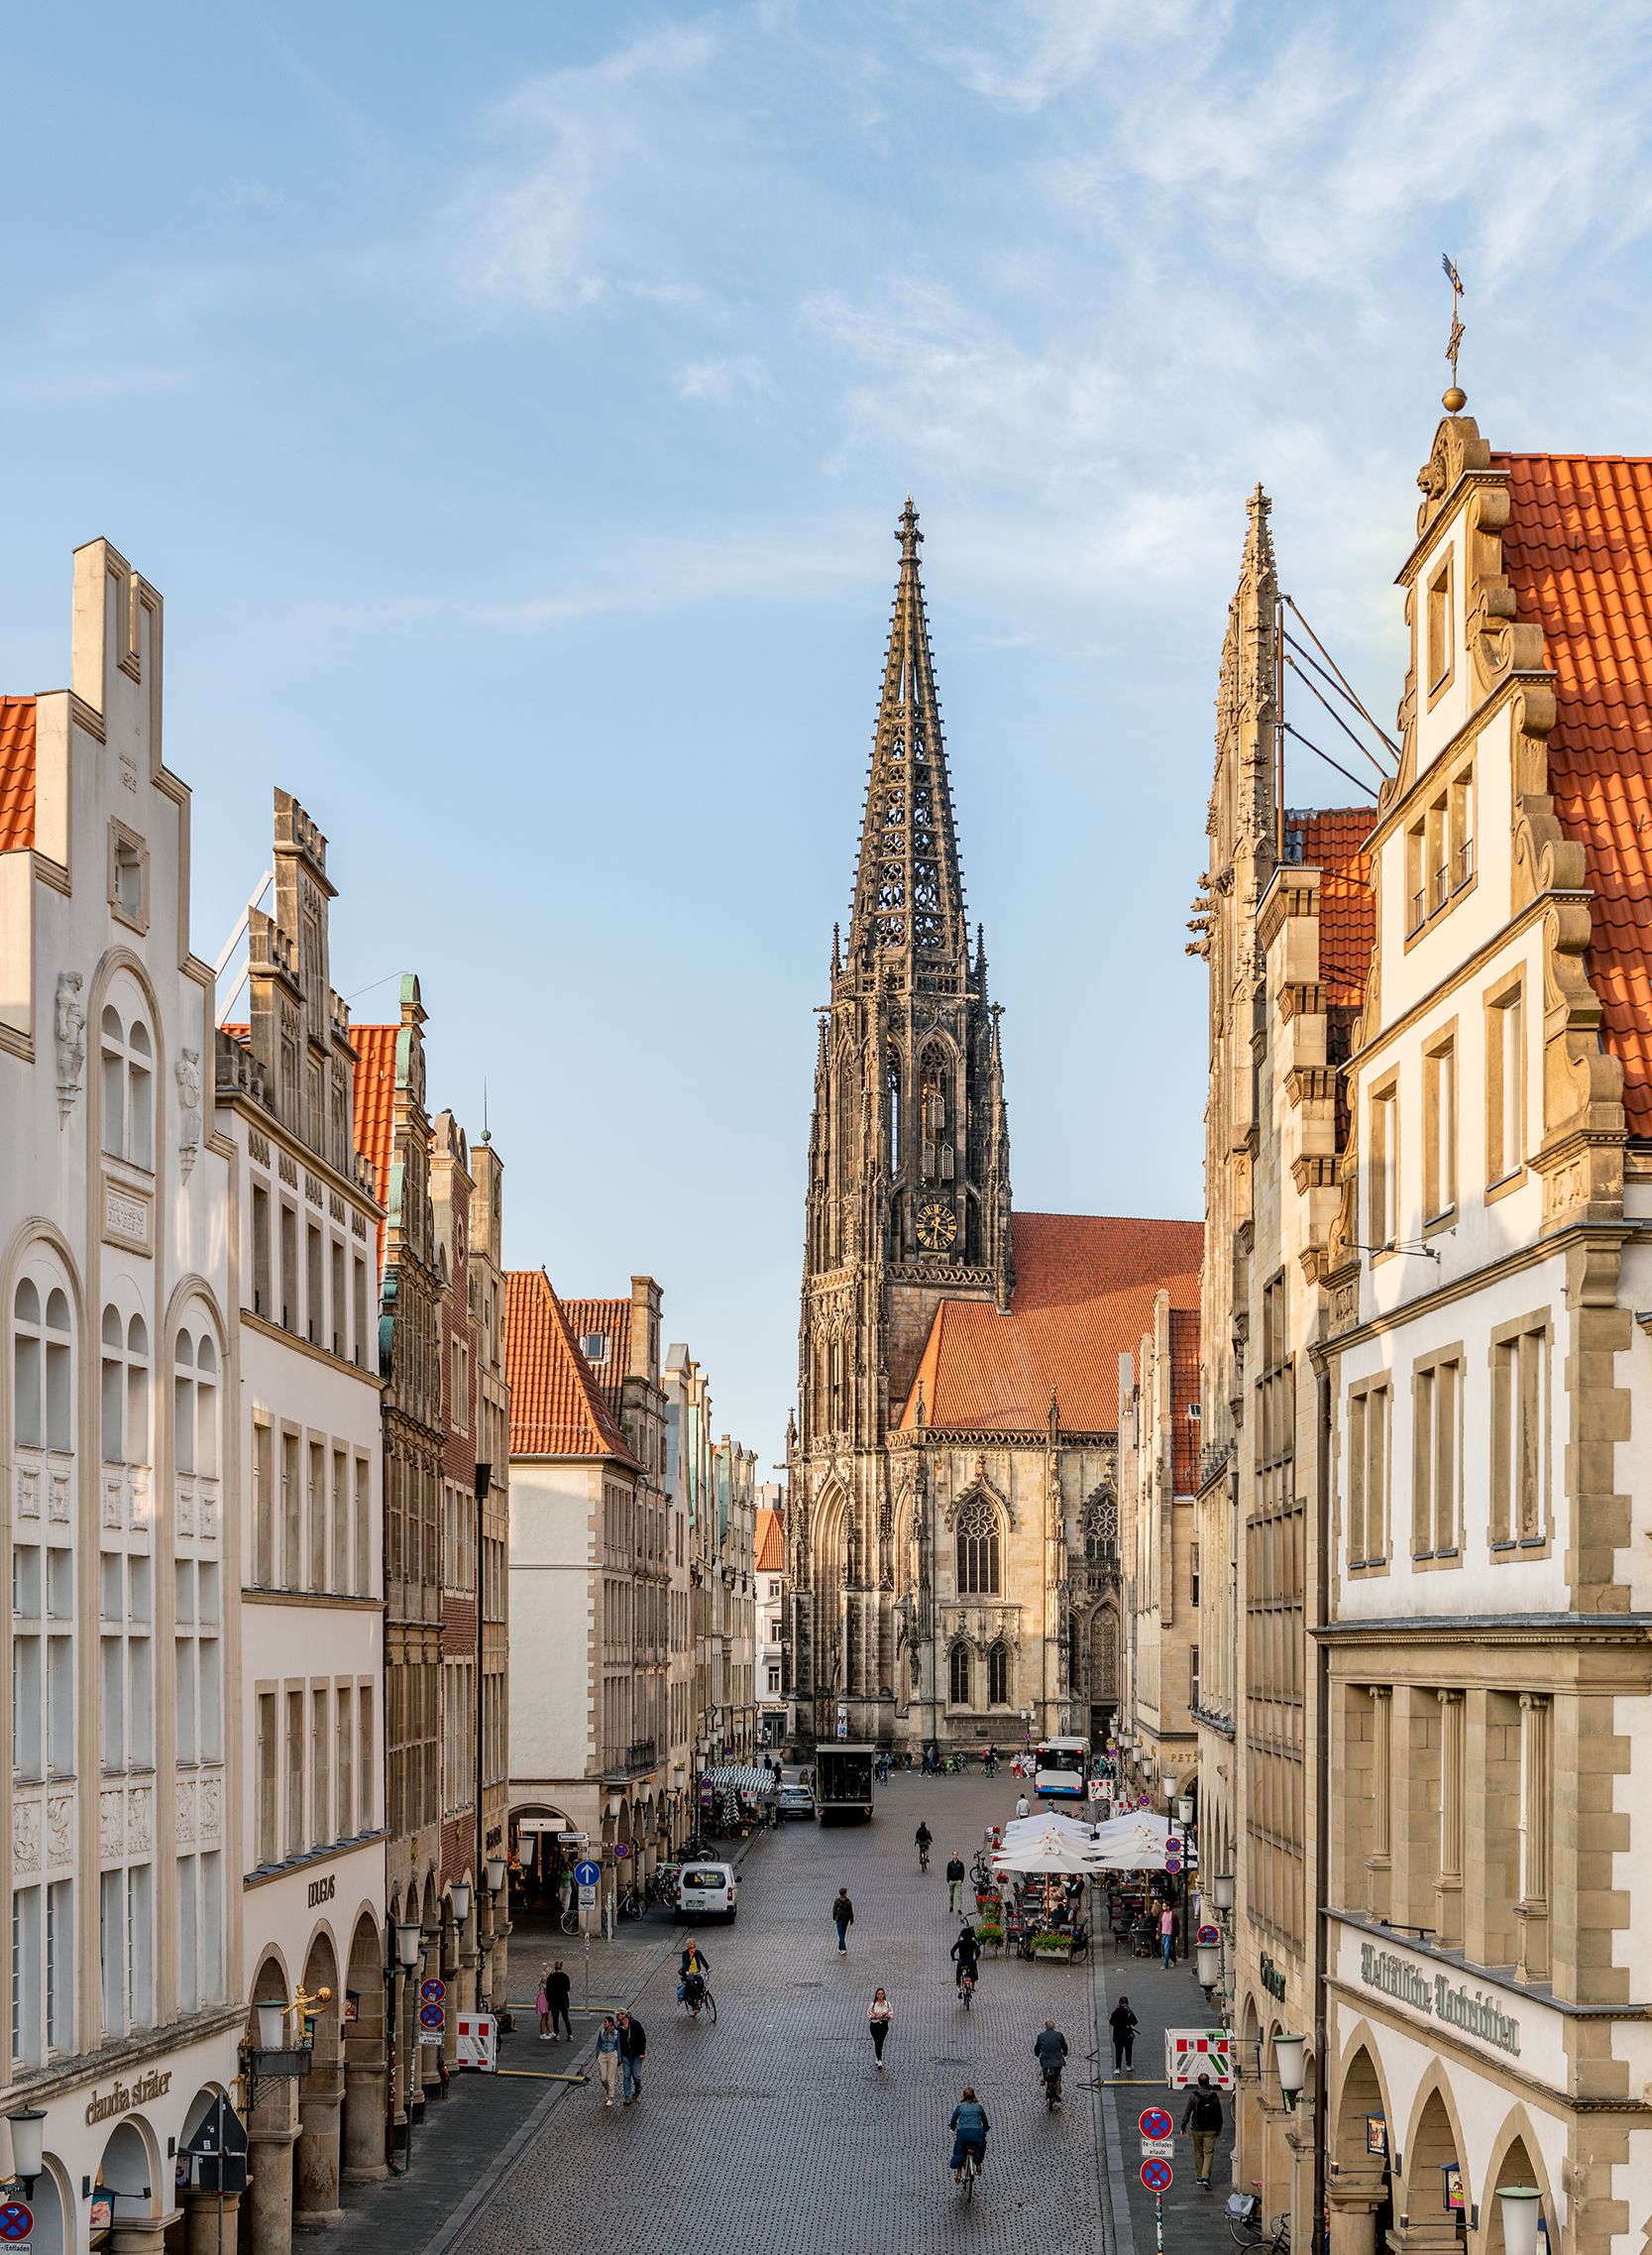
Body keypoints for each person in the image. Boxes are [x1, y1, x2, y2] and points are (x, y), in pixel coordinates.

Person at [1181, 2072, 1225, 2189]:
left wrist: (1183, 2127)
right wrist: (1219, 2128)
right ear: (1208, 2082)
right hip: (1211, 2129)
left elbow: (1187, 2112)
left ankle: (1200, 2177)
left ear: (1198, 2082)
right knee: (1208, 2153)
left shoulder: (1193, 2096)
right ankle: (1206, 2177)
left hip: (1197, 2129)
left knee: (1198, 2153)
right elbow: (1219, 2114)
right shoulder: (1214, 2096)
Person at [948, 2086, 990, 2182]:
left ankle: (959, 2174)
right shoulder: (979, 2107)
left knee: (959, 2151)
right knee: (980, 2146)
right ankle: (978, 2164)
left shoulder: (960, 2107)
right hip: (977, 2134)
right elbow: (985, 2121)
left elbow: (953, 2119)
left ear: (964, 2096)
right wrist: (986, 2128)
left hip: (963, 2134)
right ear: (973, 2095)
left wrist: (952, 2128)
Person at [1034, 2020, 1068, 2107]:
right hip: (1057, 2060)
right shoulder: (1059, 2035)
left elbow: (1037, 2048)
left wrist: (1037, 2054)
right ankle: (1057, 2091)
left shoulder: (1040, 2036)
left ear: (1046, 2027)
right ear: (1054, 2027)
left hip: (1046, 2060)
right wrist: (1065, 2053)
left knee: (1045, 2069)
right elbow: (1064, 2046)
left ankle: (1044, 2078)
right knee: (1057, 2075)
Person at [616, 2009, 646, 2103]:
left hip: (636, 2054)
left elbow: (642, 2038)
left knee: (636, 2075)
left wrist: (642, 2052)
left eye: (619, 2014)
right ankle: (627, 2096)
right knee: (626, 2076)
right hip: (626, 2055)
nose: (617, 2016)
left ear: (624, 2015)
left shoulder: (635, 2024)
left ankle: (638, 2089)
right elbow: (619, 2043)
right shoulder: (620, 2027)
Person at [594, 2014, 621, 2106]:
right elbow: (598, 2044)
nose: (604, 2023)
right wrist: (598, 2055)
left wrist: (619, 2058)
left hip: (612, 2054)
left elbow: (618, 2046)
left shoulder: (616, 2033)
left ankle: (610, 2096)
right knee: (603, 2078)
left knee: (610, 2077)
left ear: (610, 2023)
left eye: (605, 2022)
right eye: (603, 2021)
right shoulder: (601, 2032)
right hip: (603, 2054)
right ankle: (608, 2089)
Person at [1109, 1995, 1138, 2074]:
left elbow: (1111, 2021)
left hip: (1118, 2035)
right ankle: (1128, 2065)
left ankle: (1118, 2067)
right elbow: (1135, 2022)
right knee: (1128, 2050)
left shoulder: (1116, 2011)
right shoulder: (1128, 2011)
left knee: (1118, 2051)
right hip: (1127, 2034)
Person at [545, 1961, 573, 2041]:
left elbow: (548, 1990)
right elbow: (568, 1989)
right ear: (561, 1967)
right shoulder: (565, 1977)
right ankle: (570, 2034)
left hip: (554, 2001)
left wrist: (549, 2000)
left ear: (555, 1967)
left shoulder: (551, 1977)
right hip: (563, 2000)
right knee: (566, 2018)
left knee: (555, 2018)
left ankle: (557, 2034)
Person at [951, 1920, 980, 1990]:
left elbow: (952, 1951)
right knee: (973, 1971)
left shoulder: (960, 1943)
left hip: (961, 1961)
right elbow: (978, 1951)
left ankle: (958, 1984)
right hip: (970, 1961)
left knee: (958, 1972)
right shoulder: (973, 1943)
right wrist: (976, 1958)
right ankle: (972, 1984)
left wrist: (953, 1958)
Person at [868, 1985, 892, 2068]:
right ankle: (879, 2060)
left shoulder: (887, 2004)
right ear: (876, 1995)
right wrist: (875, 2016)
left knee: (881, 2042)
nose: (880, 1995)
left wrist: (886, 2016)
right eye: (879, 1994)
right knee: (877, 2041)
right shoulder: (873, 2004)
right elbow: (869, 2014)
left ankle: (877, 2056)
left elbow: (891, 2014)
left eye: (882, 1994)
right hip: (874, 2025)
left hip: (884, 2025)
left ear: (884, 1995)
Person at [832, 1886, 855, 1953]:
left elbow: (834, 1910)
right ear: (845, 1894)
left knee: (840, 1934)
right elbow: (850, 1911)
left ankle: (843, 1948)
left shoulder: (837, 1901)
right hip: (845, 1919)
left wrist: (834, 1917)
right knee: (843, 1933)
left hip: (839, 1919)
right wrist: (852, 1919)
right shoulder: (848, 1901)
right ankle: (840, 1948)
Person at [1159, 1900, 1178, 1968]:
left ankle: (1165, 1964)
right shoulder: (1161, 1914)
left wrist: (1176, 1936)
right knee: (1166, 1949)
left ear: (1168, 1907)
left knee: (1166, 1949)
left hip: (1169, 1934)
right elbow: (1160, 1925)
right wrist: (1158, 1934)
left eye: (1164, 1906)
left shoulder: (1173, 1915)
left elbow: (1176, 1926)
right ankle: (1174, 1959)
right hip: (1163, 1933)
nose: (1162, 1907)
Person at [535, 1971, 551, 2040]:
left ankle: (548, 2031)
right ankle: (542, 2033)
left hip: (542, 1998)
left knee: (545, 2016)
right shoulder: (545, 1980)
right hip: (544, 1999)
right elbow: (546, 1992)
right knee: (544, 2016)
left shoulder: (543, 1979)